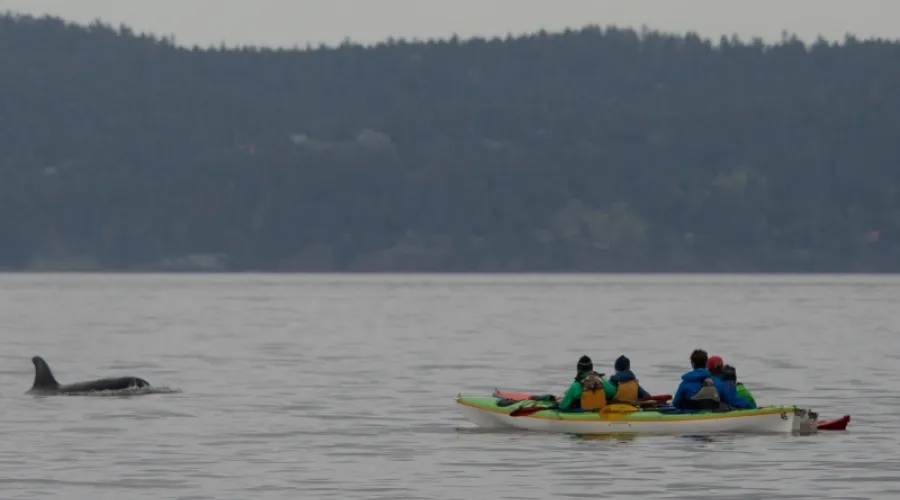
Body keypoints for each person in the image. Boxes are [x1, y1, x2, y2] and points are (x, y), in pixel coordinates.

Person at [672, 349, 755, 410]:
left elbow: (676, 403)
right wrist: (750, 406)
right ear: (706, 364)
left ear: (692, 364)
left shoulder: (684, 384)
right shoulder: (718, 383)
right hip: (712, 416)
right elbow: (732, 400)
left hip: (689, 418)